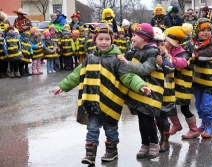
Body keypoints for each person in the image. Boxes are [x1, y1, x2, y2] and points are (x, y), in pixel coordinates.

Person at [54, 23, 151, 165]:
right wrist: (63, 86)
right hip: (92, 102)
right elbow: (77, 74)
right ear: (95, 41)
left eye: (107, 39)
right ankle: (90, 154)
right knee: (92, 127)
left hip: (111, 103)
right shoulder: (89, 58)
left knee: (110, 128)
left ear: (112, 40)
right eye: (100, 39)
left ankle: (112, 151)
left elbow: (128, 76)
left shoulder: (117, 60)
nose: (104, 42)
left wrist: (140, 85)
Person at [117, 23, 164, 159]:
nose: (132, 38)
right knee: (142, 119)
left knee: (148, 119)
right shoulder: (134, 51)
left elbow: (145, 69)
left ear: (144, 38)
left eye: (135, 36)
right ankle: (145, 144)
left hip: (150, 92)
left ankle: (154, 143)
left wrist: (127, 62)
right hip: (140, 92)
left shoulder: (153, 52)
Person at [184, 18, 212, 138]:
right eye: (203, 30)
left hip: (210, 81)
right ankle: (203, 122)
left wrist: (194, 55)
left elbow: (208, 55)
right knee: (198, 104)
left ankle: (209, 125)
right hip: (197, 80)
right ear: (197, 31)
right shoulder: (191, 42)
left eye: (208, 30)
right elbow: (183, 52)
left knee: (207, 105)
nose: (206, 32)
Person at [153, 26, 175, 152]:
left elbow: (171, 68)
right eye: (157, 45)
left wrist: (162, 63)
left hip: (166, 93)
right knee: (156, 117)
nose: (160, 47)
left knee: (162, 116)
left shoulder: (167, 57)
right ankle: (158, 138)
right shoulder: (150, 56)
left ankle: (165, 140)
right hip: (154, 92)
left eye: (162, 44)